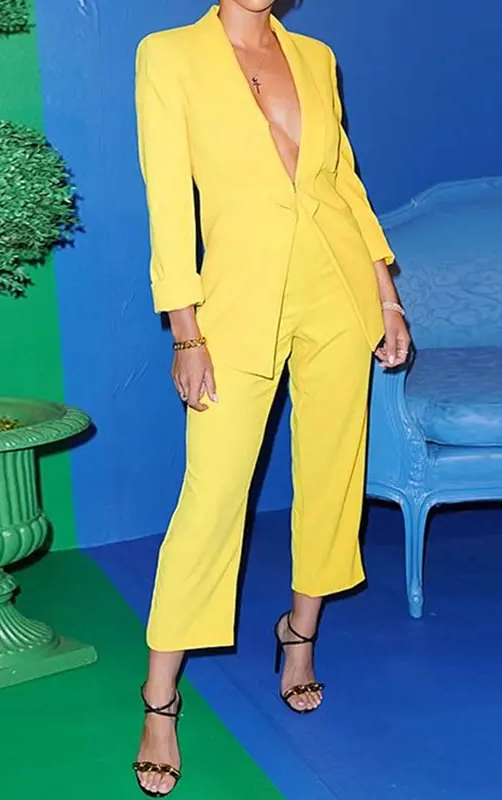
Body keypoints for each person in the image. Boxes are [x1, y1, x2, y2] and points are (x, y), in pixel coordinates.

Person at [132, 1, 411, 795]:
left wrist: (387, 297)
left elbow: (342, 184)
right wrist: (186, 333)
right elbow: (167, 200)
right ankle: (159, 698)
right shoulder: (169, 54)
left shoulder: (315, 57)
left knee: (331, 474)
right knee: (212, 495)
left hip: (337, 289)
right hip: (237, 301)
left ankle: (299, 637)